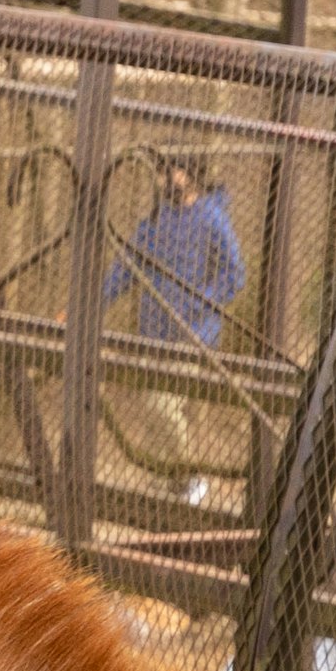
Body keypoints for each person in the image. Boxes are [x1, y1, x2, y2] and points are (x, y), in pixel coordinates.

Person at [102, 160, 248, 493]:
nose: (163, 178)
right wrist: (89, 306)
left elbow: (234, 275)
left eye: (171, 170)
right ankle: (168, 482)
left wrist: (197, 303)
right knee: (152, 409)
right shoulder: (154, 221)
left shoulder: (213, 218)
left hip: (193, 337)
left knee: (162, 406)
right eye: (160, 170)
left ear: (189, 173)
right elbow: (125, 268)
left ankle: (189, 478)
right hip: (153, 333)